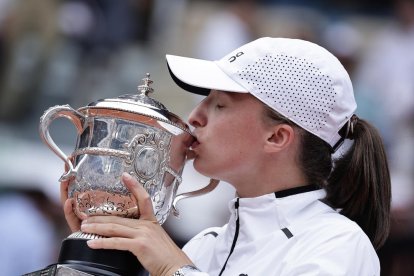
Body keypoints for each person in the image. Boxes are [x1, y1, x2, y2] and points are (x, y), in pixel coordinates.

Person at [62, 37, 391, 275]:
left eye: (219, 105)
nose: (194, 117)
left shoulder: (337, 245)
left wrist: (175, 272)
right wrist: (102, 253)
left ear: (276, 137)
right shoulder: (204, 245)